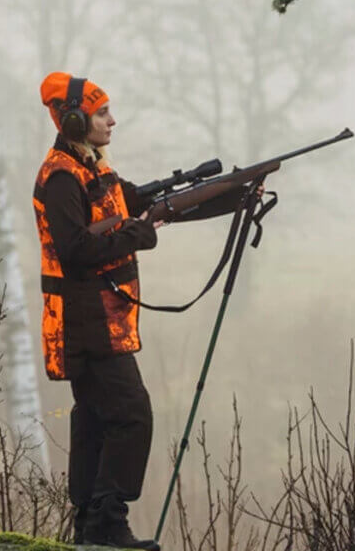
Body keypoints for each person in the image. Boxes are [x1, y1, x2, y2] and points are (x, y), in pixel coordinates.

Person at [34, 72, 259, 549]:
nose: (112, 121)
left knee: (96, 418)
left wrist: (235, 194)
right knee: (133, 415)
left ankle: (89, 525)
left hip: (100, 318)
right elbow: (75, 248)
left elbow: (153, 206)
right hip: (83, 321)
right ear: (74, 121)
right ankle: (109, 523)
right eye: (101, 114)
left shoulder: (94, 170)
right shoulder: (60, 177)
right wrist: (141, 232)